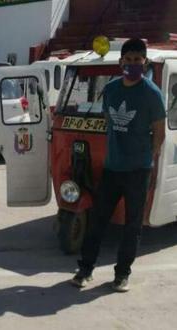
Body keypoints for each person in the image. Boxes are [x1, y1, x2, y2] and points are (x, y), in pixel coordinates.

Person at [70, 38, 166, 292]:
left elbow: (159, 132)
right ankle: (85, 270)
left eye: (138, 60)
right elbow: (108, 121)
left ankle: (122, 274)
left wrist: (149, 160)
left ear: (144, 62)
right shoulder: (111, 90)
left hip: (138, 171)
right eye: (129, 60)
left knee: (132, 226)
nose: (133, 64)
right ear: (121, 61)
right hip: (113, 168)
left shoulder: (151, 94)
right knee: (98, 221)